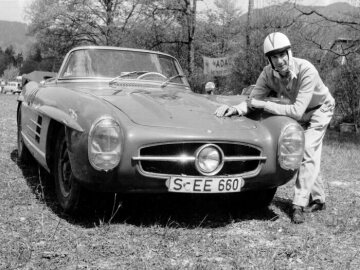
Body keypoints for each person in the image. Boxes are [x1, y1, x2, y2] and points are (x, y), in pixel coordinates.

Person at [214, 32, 335, 224]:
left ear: (289, 53)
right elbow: (253, 100)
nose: (279, 61)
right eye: (274, 57)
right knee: (308, 151)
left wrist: (265, 105)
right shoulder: (267, 73)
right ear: (269, 59)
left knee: (308, 148)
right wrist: (236, 109)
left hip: (320, 109)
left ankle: (298, 205)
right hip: (300, 111)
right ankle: (319, 200)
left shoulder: (307, 70)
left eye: (282, 55)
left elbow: (295, 111)